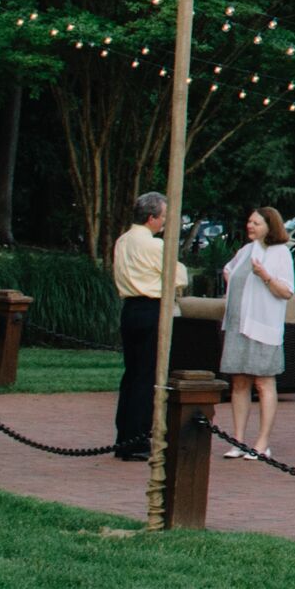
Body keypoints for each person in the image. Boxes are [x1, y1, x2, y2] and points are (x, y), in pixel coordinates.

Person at [217, 207, 294, 454]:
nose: (250, 226)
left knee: (263, 382)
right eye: (249, 221)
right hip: (238, 325)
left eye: (256, 223)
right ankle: (237, 441)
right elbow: (229, 270)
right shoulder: (246, 250)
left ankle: (262, 443)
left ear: (270, 226)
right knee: (239, 382)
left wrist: (265, 276)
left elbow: (286, 291)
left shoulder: (280, 253)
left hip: (263, 327)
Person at [110, 190, 172, 463]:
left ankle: (125, 436)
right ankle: (136, 439)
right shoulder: (156, 247)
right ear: (152, 218)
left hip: (130, 310)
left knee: (132, 374)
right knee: (146, 376)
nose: (165, 223)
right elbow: (178, 276)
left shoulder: (122, 241)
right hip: (150, 308)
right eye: (164, 217)